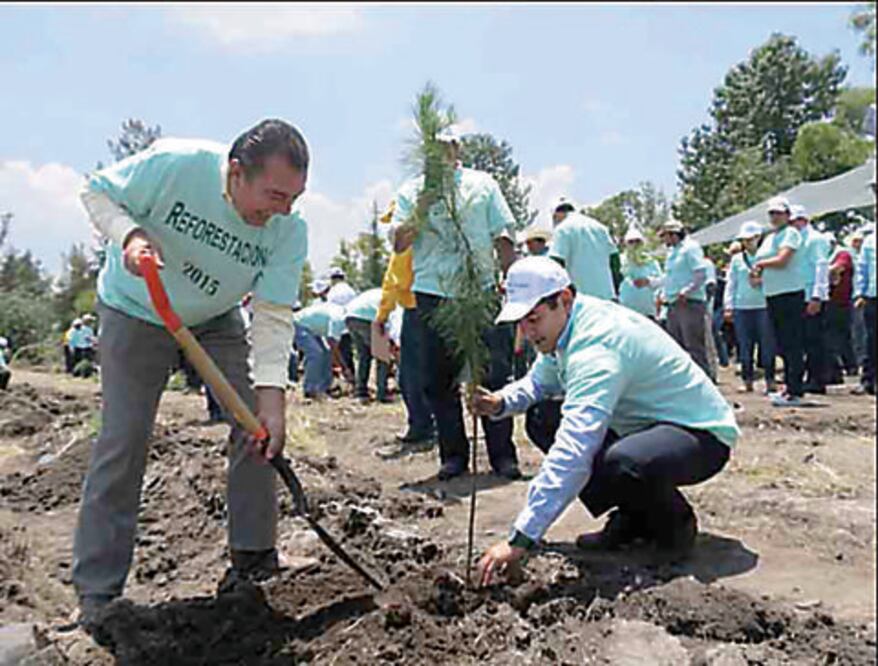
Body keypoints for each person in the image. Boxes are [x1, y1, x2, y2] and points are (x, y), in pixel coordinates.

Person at [73, 119, 310, 628]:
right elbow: (96, 192)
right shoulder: (177, 165)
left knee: (256, 432)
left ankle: (253, 558)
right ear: (235, 173)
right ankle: (98, 592)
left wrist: (273, 406)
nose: (283, 210)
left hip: (215, 318)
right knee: (124, 438)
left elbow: (271, 319)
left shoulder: (288, 230)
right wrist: (130, 235)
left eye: (294, 198)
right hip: (135, 307)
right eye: (274, 194)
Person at [471, 257, 739, 585]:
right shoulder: (567, 326)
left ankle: (674, 528)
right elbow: (540, 382)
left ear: (564, 300)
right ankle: (634, 517)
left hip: (700, 435)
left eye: (533, 319)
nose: (527, 333)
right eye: (521, 323)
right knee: (542, 418)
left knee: (625, 461)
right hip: (644, 427)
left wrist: (522, 538)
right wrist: (500, 402)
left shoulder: (597, 347)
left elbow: (574, 450)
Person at [390, 127, 518, 481]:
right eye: (433, 149)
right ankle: (454, 457)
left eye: (447, 147)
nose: (440, 155)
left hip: (481, 289)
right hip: (432, 293)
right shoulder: (411, 191)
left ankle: (503, 457)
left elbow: (503, 233)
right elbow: (399, 244)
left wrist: (515, 280)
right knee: (437, 380)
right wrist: (422, 206)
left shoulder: (482, 184)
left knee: (493, 374)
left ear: (457, 149)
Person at [375, 200, 436, 445]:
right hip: (412, 312)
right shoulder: (400, 250)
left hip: (423, 310)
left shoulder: (415, 246)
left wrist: (383, 315)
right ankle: (422, 424)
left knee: (419, 375)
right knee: (411, 376)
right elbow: (390, 283)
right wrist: (382, 315)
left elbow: (393, 282)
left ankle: (425, 426)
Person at [751, 197, 807, 407]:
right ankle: (788, 388)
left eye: (778, 213)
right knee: (781, 343)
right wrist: (756, 274)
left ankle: (795, 390)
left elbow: (783, 260)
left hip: (790, 294)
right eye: (771, 214)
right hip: (773, 294)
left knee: (792, 342)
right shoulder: (768, 238)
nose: (774, 217)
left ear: (787, 215)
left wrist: (761, 263)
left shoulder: (791, 233)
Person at [723, 221, 777, 394]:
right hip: (742, 306)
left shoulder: (768, 256)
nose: (747, 242)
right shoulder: (737, 259)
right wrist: (728, 306)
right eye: (744, 240)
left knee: (767, 345)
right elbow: (731, 283)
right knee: (745, 346)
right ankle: (747, 380)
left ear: (758, 237)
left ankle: (770, 380)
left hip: (764, 305)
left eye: (750, 239)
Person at [658, 219, 711, 377]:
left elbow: (701, 273)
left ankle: (704, 380)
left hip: (689, 302)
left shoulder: (690, 248)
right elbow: (669, 277)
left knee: (694, 345)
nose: (664, 240)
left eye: (665, 236)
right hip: (673, 303)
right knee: (676, 346)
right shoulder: (671, 253)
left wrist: (686, 291)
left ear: (674, 234)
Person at [790, 205, 832, 395]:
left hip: (811, 295)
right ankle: (809, 376)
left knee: (815, 340)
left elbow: (821, 268)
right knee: (802, 339)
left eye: (795, 221)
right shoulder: (796, 241)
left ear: (803, 220)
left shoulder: (815, 240)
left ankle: (818, 379)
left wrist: (817, 296)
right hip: (798, 294)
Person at [548, 197, 619, 301]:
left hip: (581, 300)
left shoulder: (562, 229)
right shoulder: (600, 227)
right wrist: (615, 288)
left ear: (556, 215)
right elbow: (615, 260)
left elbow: (555, 263)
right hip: (607, 296)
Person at [343, 287, 392, 403]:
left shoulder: (378, 292)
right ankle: (382, 393)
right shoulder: (393, 297)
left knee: (364, 356)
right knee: (382, 356)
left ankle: (361, 391)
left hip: (350, 316)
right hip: (368, 317)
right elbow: (390, 322)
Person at [293, 298, 349, 399]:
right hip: (298, 324)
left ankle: (324, 387)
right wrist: (344, 368)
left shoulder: (341, 314)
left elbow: (331, 349)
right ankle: (310, 390)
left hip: (312, 329)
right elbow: (333, 346)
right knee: (316, 354)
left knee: (325, 353)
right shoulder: (339, 319)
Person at [825, 235, 858, 384]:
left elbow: (838, 267)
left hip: (841, 302)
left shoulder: (842, 254)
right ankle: (835, 369)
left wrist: (823, 272)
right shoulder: (826, 255)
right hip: (828, 301)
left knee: (842, 336)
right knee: (831, 337)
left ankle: (850, 365)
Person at [618, 226, 662, 320]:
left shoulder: (651, 261)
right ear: (626, 244)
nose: (634, 244)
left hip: (647, 310)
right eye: (631, 241)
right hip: (626, 310)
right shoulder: (621, 260)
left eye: (637, 241)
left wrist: (648, 281)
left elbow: (661, 282)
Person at [852, 224, 876, 396]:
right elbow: (862, 268)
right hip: (873, 295)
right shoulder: (870, 240)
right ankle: (868, 380)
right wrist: (860, 293)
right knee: (871, 339)